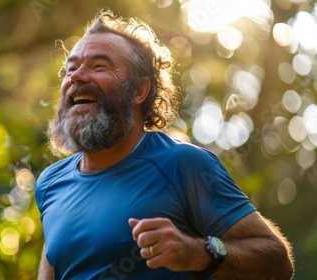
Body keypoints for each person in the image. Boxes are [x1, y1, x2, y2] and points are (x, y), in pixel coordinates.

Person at [34, 9, 294, 280]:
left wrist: (197, 253)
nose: (76, 76)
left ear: (138, 90)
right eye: (70, 68)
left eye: (99, 66)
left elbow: (277, 262)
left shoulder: (183, 164)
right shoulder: (50, 183)